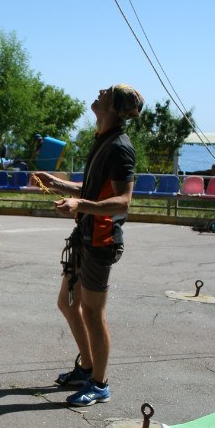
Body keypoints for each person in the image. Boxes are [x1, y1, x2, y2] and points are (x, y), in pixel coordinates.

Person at [33, 83, 144, 407]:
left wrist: (80, 205)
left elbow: (123, 202)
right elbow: (93, 188)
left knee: (93, 311)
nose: (99, 91)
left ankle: (100, 383)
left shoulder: (121, 147)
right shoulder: (103, 139)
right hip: (85, 235)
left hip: (101, 239)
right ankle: (86, 367)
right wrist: (59, 184)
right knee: (68, 304)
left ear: (114, 106)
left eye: (107, 91)